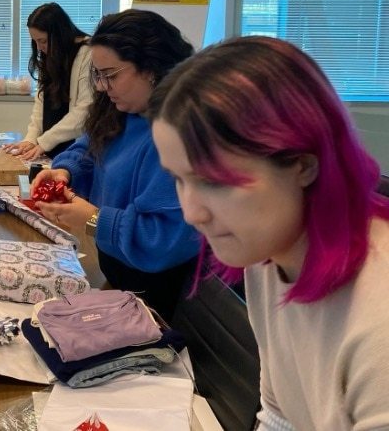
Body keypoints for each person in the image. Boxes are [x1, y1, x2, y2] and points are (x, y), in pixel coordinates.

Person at [149, 36, 389, 430]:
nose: (191, 213)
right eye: (178, 179)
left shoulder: (378, 322)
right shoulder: (267, 254)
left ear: (302, 164)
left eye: (215, 181)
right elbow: (280, 416)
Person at [33, 9, 199, 320]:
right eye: (97, 75)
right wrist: (65, 170)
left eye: (110, 75)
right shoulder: (123, 109)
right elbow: (89, 145)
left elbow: (163, 240)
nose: (100, 86)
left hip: (157, 295)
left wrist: (95, 220)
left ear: (150, 68)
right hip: (121, 276)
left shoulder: (177, 133)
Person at [1, 3, 93, 161]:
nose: (39, 47)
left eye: (42, 41)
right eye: (35, 41)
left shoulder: (88, 53)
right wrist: (30, 139)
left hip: (74, 150)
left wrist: (44, 142)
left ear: (59, 35)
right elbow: (41, 101)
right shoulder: (49, 53)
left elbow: (85, 111)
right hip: (49, 148)